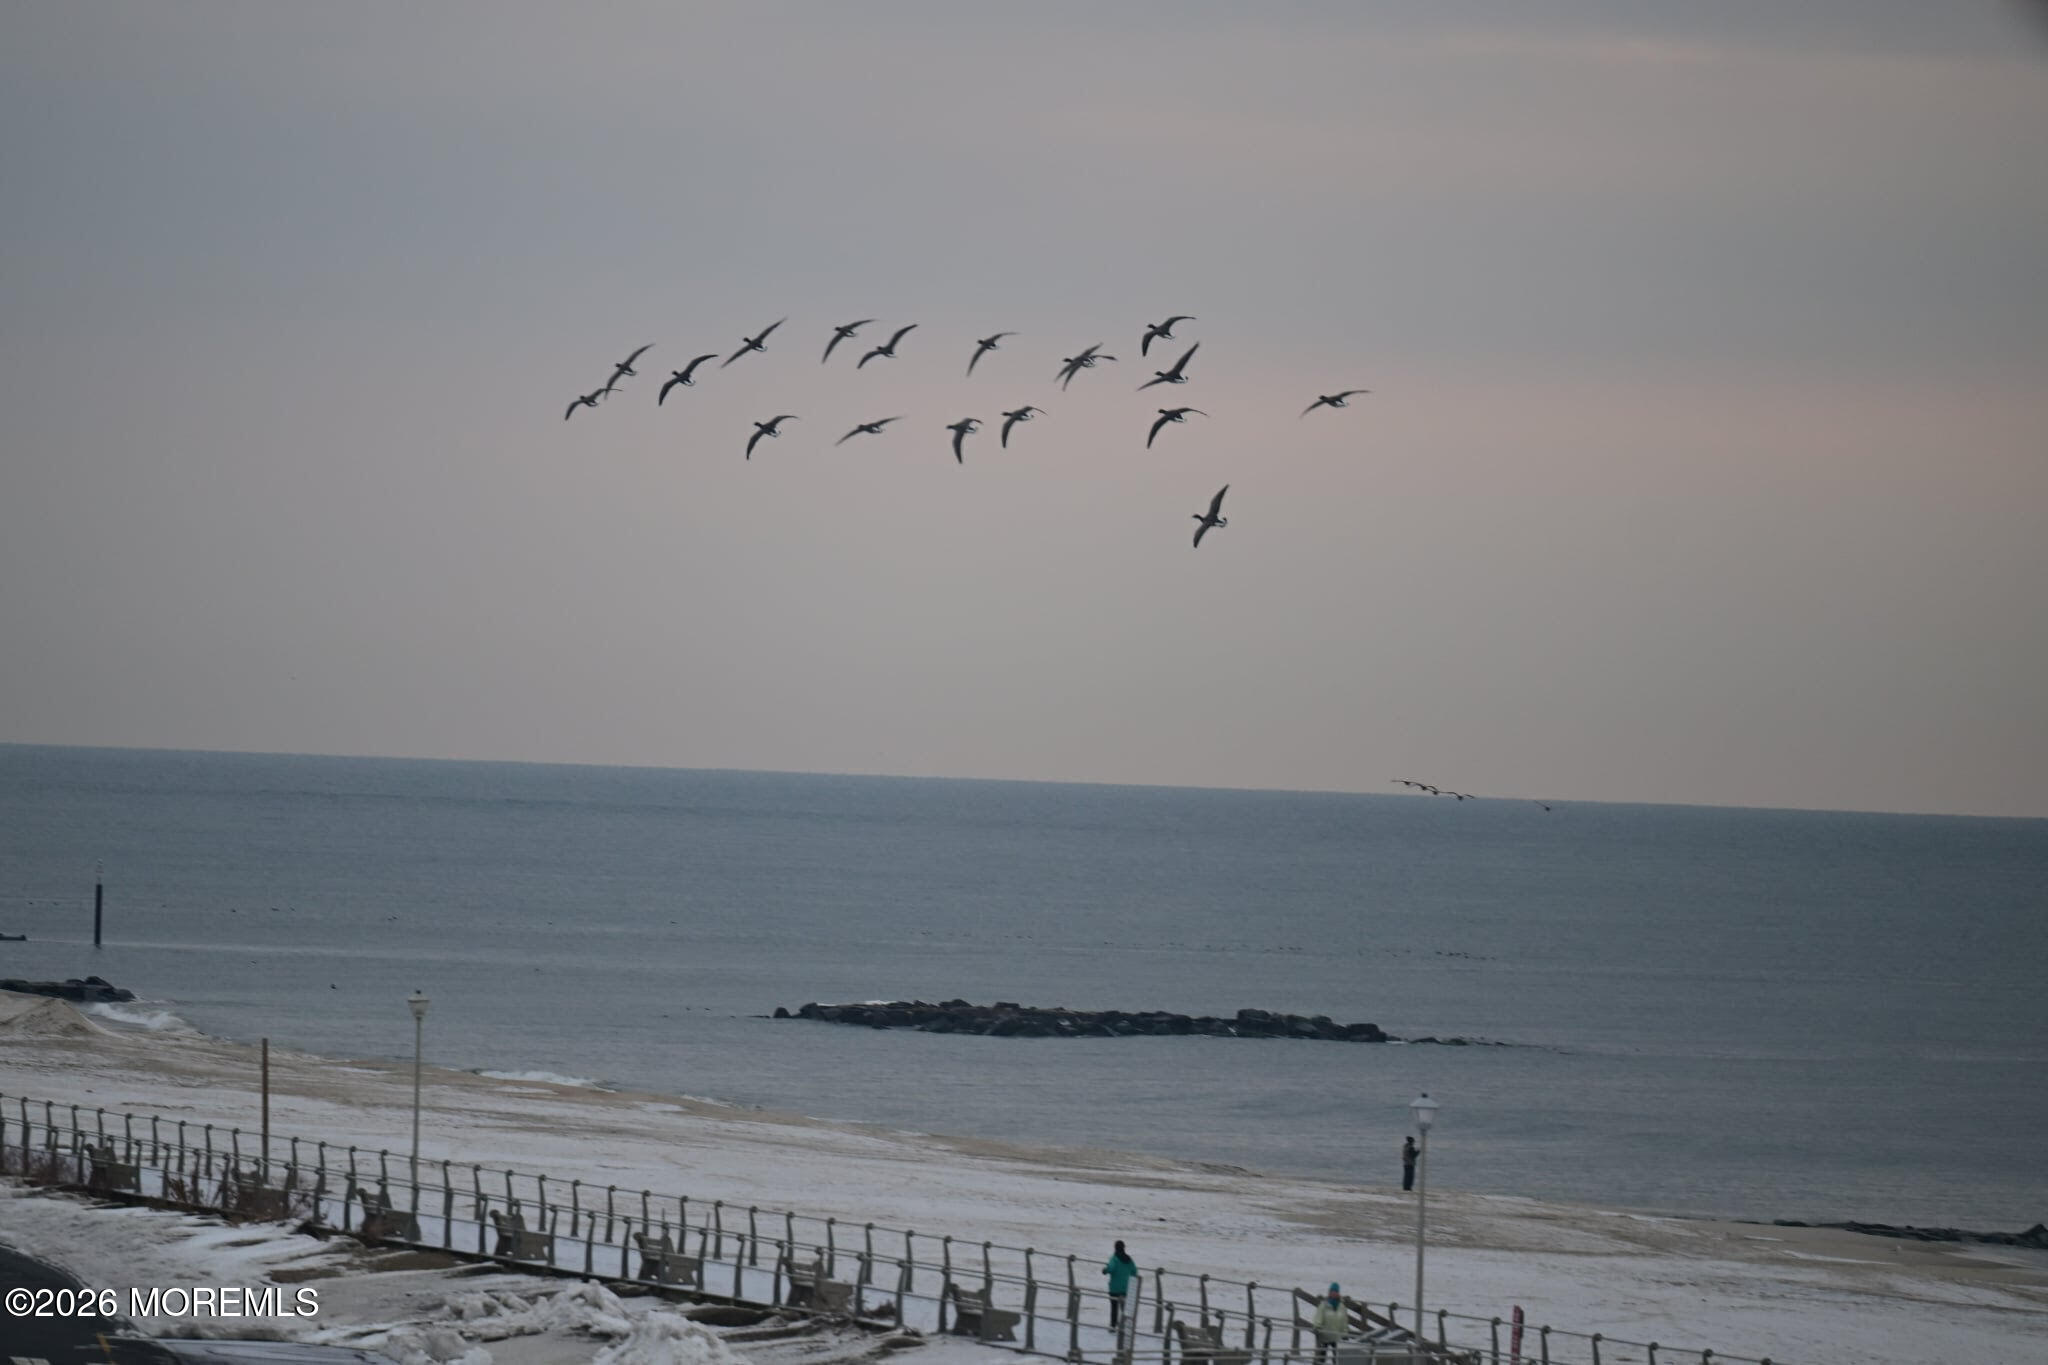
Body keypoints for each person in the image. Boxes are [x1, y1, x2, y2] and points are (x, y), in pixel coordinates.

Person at [1102, 1240, 1138, 1327]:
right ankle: (1126, 1325)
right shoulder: (1129, 1259)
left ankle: (1113, 1326)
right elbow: (1134, 1272)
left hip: (1114, 1288)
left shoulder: (1114, 1258)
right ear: (1124, 1248)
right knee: (1125, 1308)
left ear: (1115, 1248)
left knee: (1114, 1307)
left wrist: (1105, 1270)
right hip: (1126, 1288)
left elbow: (1111, 1268)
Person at [1312, 1283, 1349, 1362]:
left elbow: (1344, 1322)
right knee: (1321, 1359)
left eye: (1335, 1291)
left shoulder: (1342, 1307)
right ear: (1329, 1292)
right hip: (1324, 1336)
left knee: (1338, 1360)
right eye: (1332, 1291)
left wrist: (1345, 1334)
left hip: (1337, 1337)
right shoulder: (1323, 1305)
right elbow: (1318, 1318)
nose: (1334, 1293)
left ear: (1338, 1293)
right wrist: (1317, 1327)